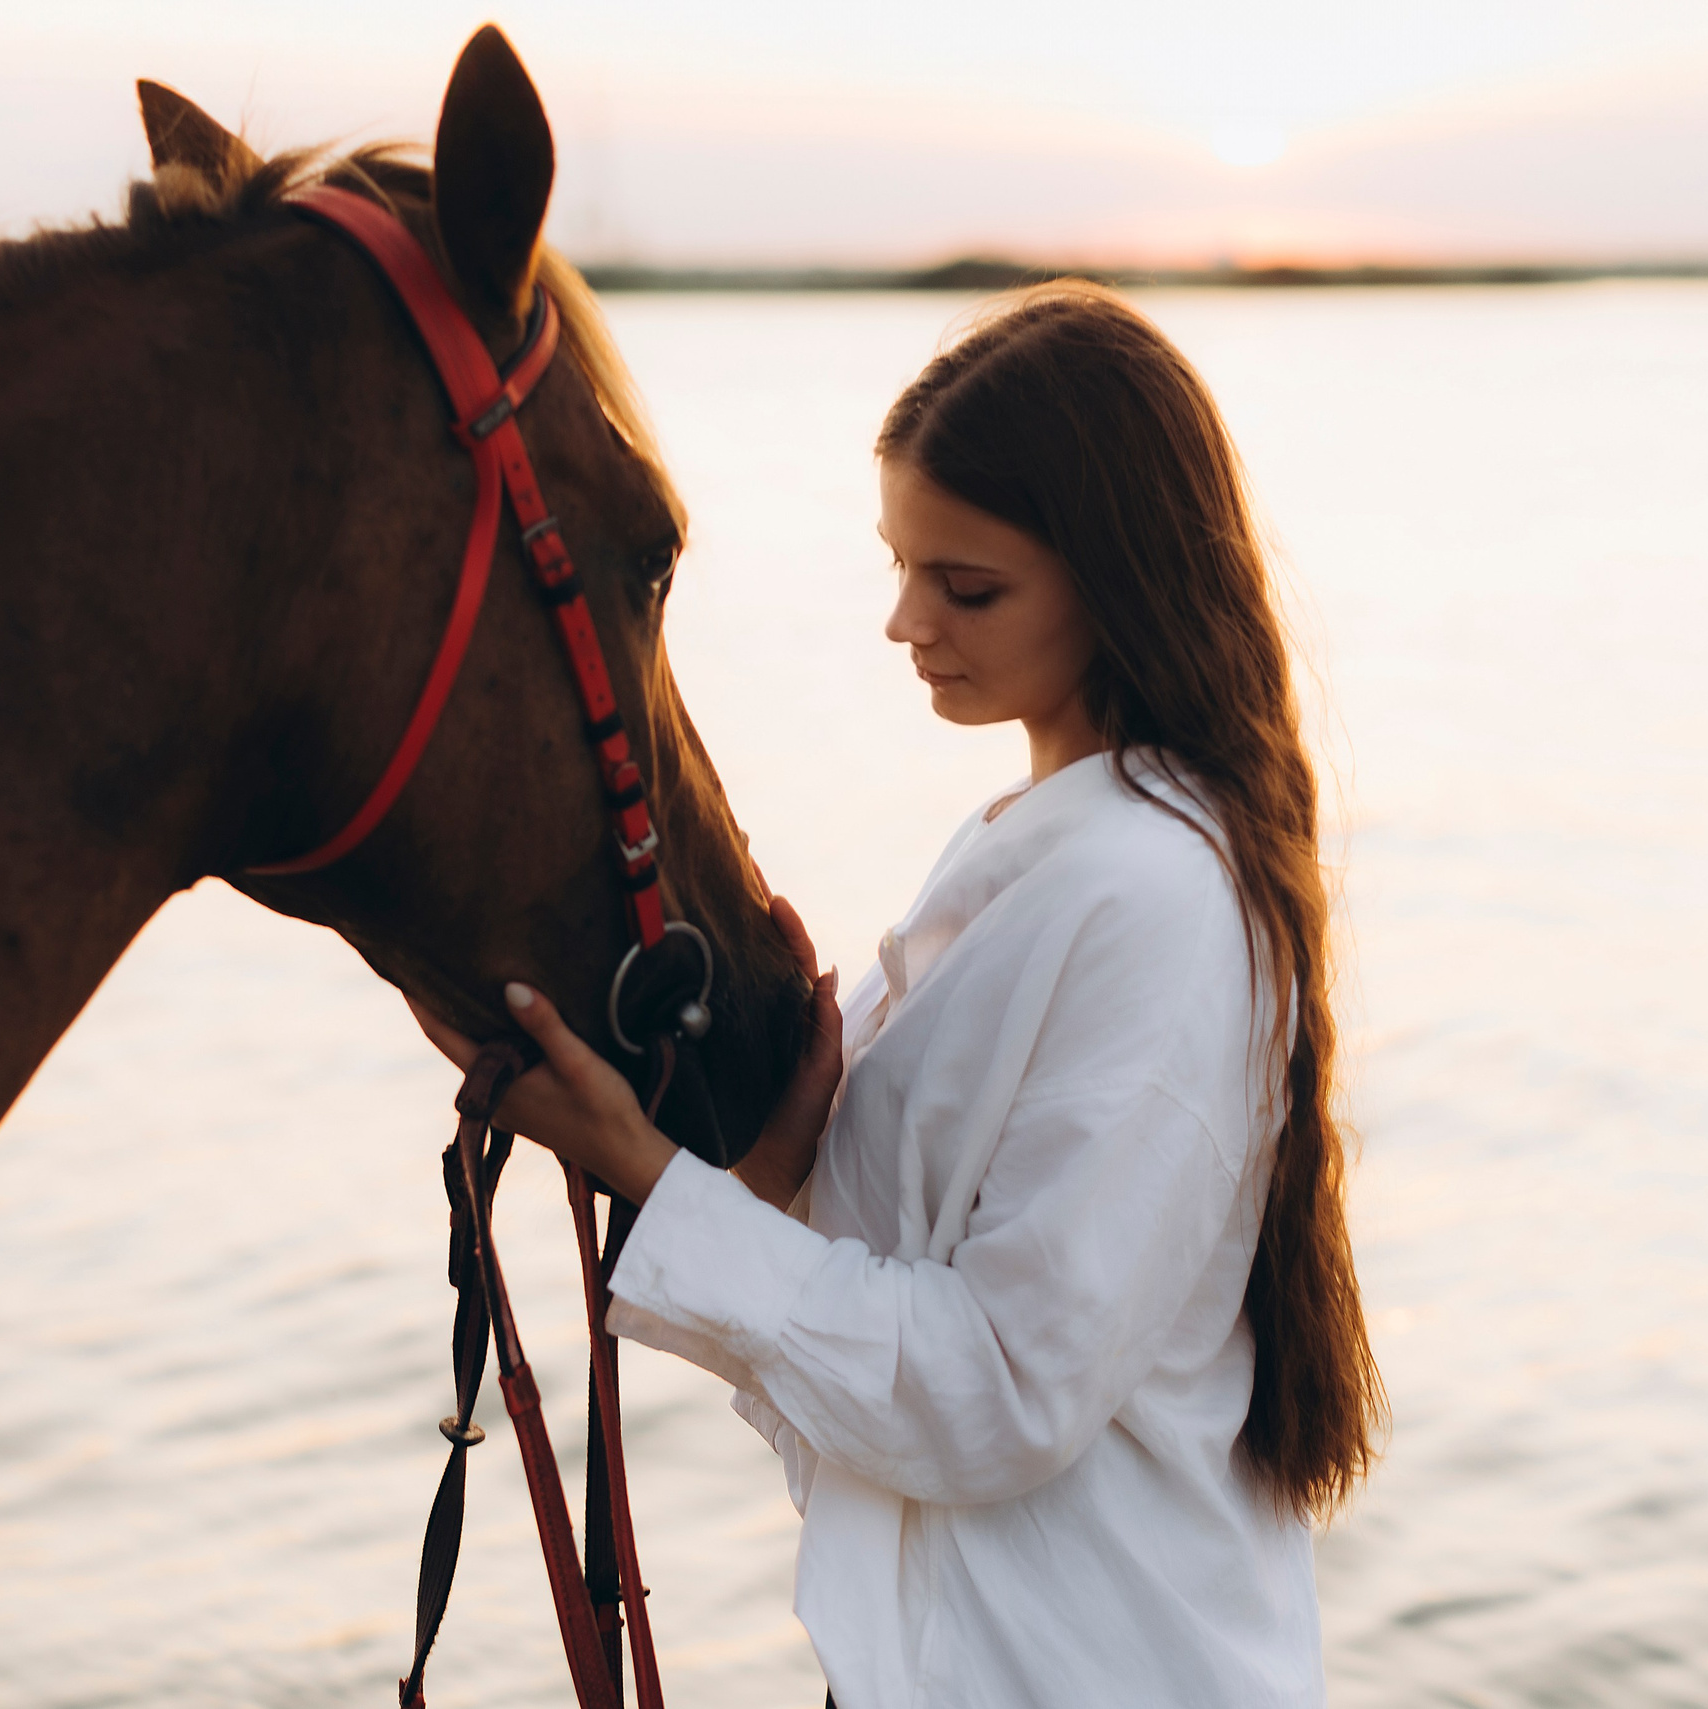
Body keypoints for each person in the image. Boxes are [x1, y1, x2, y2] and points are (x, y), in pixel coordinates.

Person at [411, 281, 1384, 1707]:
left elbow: (992, 1390)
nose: (903, 621)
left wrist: (651, 1176)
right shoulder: (1032, 852)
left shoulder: (1158, 901)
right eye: (902, 564)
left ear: (1117, 578)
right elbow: (901, 1324)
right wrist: (774, 1161)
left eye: (964, 584)